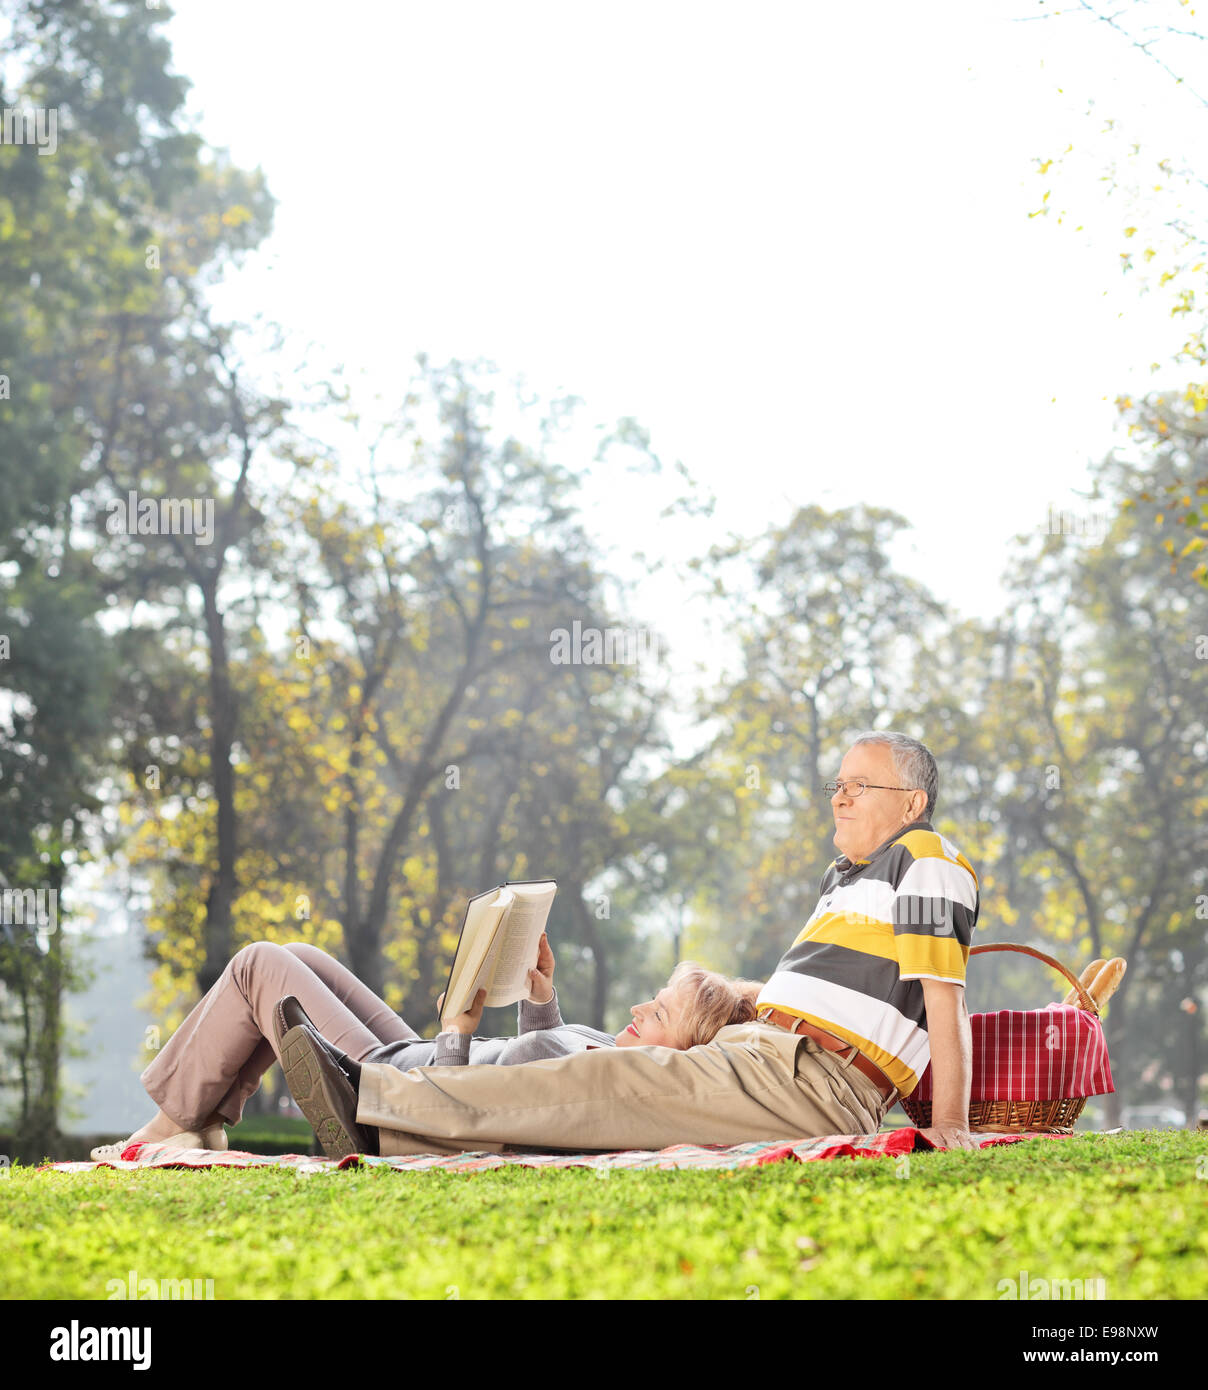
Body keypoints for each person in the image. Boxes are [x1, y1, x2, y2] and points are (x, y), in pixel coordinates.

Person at [281, 731, 982, 1158]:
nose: (840, 797)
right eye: (838, 784)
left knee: (606, 1079)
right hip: (762, 1055)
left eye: (862, 786)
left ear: (913, 804)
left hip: (816, 1082)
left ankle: (374, 1101)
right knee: (603, 1083)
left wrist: (950, 1125)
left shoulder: (926, 859)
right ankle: (385, 1110)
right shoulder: (848, 879)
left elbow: (943, 1003)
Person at [89, 930, 759, 1160]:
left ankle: (171, 1126)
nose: (641, 1007)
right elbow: (537, 1065)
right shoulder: (605, 1058)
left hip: (406, 1086)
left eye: (660, 1012)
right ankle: (201, 1126)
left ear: (675, 1053)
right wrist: (539, 994)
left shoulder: (612, 1079)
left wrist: (457, 1035)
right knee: (297, 953)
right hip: (419, 1060)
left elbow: (471, 1108)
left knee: (260, 964)